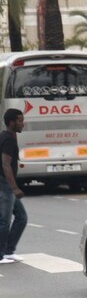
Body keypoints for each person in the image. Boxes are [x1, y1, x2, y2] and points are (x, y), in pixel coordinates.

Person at [0, 108, 27, 264]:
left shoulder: (5, 136)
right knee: (4, 220)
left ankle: (9, 251)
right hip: (5, 184)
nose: (23, 124)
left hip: (6, 184)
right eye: (20, 120)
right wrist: (14, 187)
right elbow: (6, 164)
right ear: (12, 122)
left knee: (22, 217)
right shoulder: (8, 139)